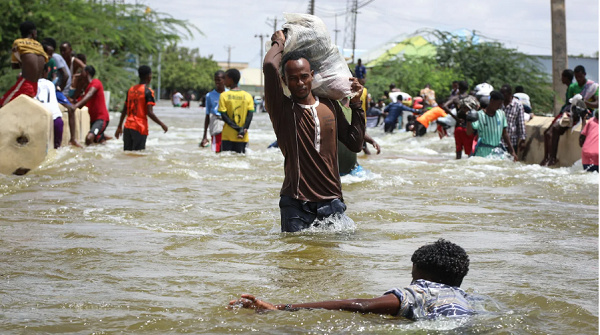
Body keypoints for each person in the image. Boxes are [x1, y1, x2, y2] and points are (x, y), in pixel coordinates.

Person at [263, 30, 365, 233]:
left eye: (303, 77)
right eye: (293, 79)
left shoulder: (331, 106)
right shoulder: (282, 109)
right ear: (284, 80)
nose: (299, 83)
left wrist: (356, 105)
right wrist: (278, 43)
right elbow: (269, 66)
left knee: (333, 262)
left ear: (312, 76)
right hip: (296, 202)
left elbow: (354, 143)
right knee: (296, 258)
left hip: (332, 199)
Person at [229, 239, 473, 320]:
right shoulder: (467, 299)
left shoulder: (418, 293)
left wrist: (280, 308)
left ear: (418, 273)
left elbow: (359, 305)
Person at [542, 66, 598, 166]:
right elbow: (569, 103)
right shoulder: (573, 87)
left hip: (586, 114)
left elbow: (597, 103)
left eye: (580, 77)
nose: (578, 79)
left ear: (584, 75)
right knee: (554, 129)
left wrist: (584, 103)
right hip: (572, 113)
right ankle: (552, 158)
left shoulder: (592, 87)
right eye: (576, 77)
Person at [114, 65, 167, 151]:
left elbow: (124, 110)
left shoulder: (130, 90)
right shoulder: (148, 92)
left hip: (128, 127)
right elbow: (150, 113)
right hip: (139, 127)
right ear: (148, 76)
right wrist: (162, 124)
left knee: (128, 154)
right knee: (138, 155)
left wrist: (119, 126)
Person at [0, 21, 48, 107]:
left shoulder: (18, 42)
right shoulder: (39, 45)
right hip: (35, 86)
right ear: (33, 32)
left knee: (2, 103)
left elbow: (14, 65)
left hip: (25, 84)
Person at [467, 91, 518, 161]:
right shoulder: (479, 115)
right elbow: (469, 132)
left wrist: (512, 151)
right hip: (482, 152)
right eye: (498, 104)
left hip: (497, 151)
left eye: (501, 104)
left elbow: (505, 133)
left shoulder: (501, 114)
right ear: (491, 100)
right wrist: (469, 121)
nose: (500, 106)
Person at [218, 68, 254, 154]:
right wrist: (243, 129)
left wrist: (238, 129)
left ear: (230, 79)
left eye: (225, 78)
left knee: (227, 161)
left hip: (227, 136)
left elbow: (224, 116)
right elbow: (250, 116)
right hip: (242, 136)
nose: (224, 81)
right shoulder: (247, 96)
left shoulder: (224, 95)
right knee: (241, 162)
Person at [73, 65, 110, 145]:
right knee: (97, 142)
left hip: (101, 119)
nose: (79, 74)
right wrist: (76, 81)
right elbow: (77, 102)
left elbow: (89, 95)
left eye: (81, 71)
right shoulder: (86, 90)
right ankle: (102, 139)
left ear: (86, 73)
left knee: (89, 138)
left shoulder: (96, 82)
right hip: (93, 120)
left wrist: (74, 107)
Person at [36, 64, 64, 149]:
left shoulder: (33, 85)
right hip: (57, 120)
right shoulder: (51, 84)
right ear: (46, 72)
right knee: (56, 150)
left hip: (42, 121)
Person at [200, 70, 226, 152]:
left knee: (226, 148)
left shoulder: (229, 93)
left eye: (219, 80)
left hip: (228, 122)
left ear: (224, 80)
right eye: (215, 80)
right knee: (216, 148)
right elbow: (207, 115)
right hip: (216, 121)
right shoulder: (209, 95)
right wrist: (204, 136)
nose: (217, 82)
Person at [500, 84, 526, 155]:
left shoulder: (517, 105)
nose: (502, 95)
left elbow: (521, 122)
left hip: (512, 140)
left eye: (503, 93)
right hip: (498, 140)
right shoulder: (499, 104)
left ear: (509, 94)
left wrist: (523, 139)